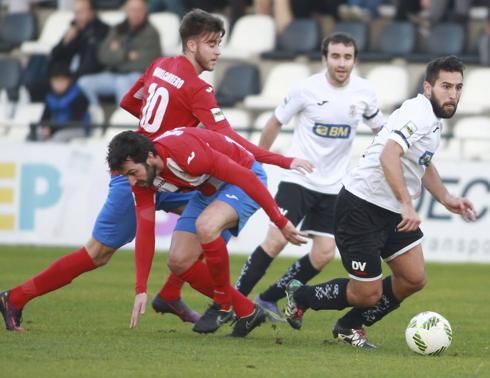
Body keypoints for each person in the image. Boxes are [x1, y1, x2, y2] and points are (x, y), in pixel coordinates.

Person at [0, 9, 309, 333]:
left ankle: (184, 296)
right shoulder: (197, 89)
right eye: (212, 44)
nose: (218, 51)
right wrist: (280, 160)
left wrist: (166, 131)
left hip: (165, 168)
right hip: (147, 172)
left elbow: (128, 102)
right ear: (192, 45)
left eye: (220, 44)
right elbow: (230, 139)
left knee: (210, 228)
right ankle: (16, 297)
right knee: (99, 252)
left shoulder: (160, 64)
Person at [282, 55, 477, 349]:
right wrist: (407, 204)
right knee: (367, 294)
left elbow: (422, 162)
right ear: (427, 87)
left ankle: (349, 326)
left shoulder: (434, 119)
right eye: (445, 86)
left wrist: (446, 198)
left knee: (413, 278)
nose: (452, 94)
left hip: (392, 211)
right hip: (361, 206)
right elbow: (389, 155)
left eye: (458, 87)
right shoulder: (418, 113)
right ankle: (301, 296)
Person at [235, 32, 385, 321]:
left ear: (355, 60)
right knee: (276, 241)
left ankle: (268, 299)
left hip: (335, 187)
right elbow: (275, 122)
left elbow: (382, 130)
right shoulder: (306, 90)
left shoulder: (364, 93)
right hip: (299, 180)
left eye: (347, 57)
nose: (341, 63)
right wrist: (258, 162)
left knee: (324, 254)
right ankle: (232, 302)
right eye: (336, 56)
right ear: (324, 58)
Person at [107, 128, 307, 337]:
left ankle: (222, 305)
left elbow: (246, 177)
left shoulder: (184, 153)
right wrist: (141, 289)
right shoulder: (143, 180)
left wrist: (280, 221)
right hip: (209, 191)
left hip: (244, 179)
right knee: (178, 261)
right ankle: (248, 312)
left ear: (149, 156)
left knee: (206, 226)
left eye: (132, 173)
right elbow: (145, 230)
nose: (131, 182)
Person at [78, 0, 162, 106]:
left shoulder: (151, 32)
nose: (135, 13)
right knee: (84, 82)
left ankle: (122, 118)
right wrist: (127, 55)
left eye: (139, 10)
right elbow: (103, 55)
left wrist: (117, 55)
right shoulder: (118, 29)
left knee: (121, 81)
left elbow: (147, 62)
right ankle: (95, 114)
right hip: (114, 74)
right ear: (126, 10)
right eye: (132, 10)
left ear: (145, 11)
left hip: (138, 77)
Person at [50, 0, 109, 80]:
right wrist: (65, 42)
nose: (77, 16)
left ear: (92, 12)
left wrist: (71, 79)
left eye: (81, 12)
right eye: (75, 13)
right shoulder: (74, 29)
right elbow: (54, 55)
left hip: (87, 78)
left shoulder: (101, 30)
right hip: (66, 77)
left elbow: (92, 64)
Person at [34, 63, 91, 142]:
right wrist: (46, 127)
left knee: (59, 137)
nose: (58, 84)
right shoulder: (50, 97)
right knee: (38, 134)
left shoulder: (79, 96)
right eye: (55, 81)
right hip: (55, 128)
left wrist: (52, 129)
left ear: (69, 80)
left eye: (61, 81)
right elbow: (44, 118)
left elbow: (74, 121)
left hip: (76, 129)